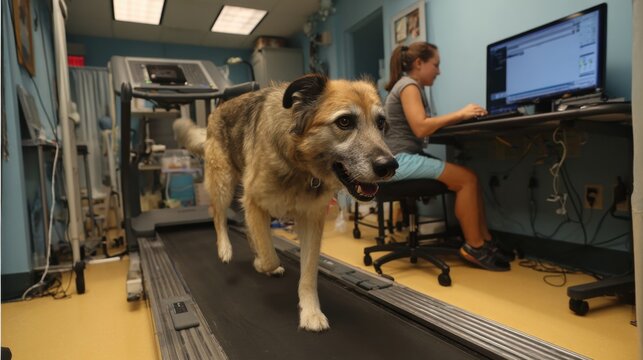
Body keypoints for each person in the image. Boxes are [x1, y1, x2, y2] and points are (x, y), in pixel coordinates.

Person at [384, 41, 513, 271]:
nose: (439, 71)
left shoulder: (409, 86)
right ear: (419, 63)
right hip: (399, 162)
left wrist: (459, 117)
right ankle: (474, 246)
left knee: (470, 176)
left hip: (403, 158)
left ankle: (486, 242)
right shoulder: (408, 85)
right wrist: (461, 113)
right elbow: (421, 127)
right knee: (467, 180)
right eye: (436, 65)